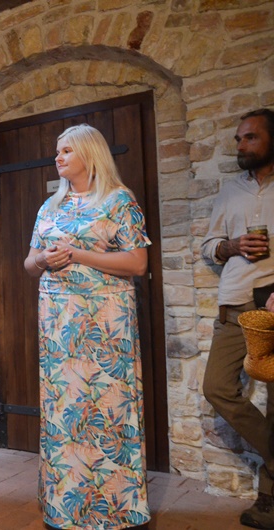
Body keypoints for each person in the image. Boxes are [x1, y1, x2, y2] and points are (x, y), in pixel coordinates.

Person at [23, 124, 151, 529]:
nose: (57, 157)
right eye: (57, 151)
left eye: (66, 151)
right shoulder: (49, 206)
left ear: (89, 154)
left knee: (109, 409)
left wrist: (78, 254)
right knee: (67, 410)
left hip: (106, 323)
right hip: (58, 324)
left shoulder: (119, 200)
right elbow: (29, 265)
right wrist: (44, 260)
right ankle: (65, 508)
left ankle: (117, 510)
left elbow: (137, 263)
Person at [202, 108, 274, 530]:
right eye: (238, 138)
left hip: (271, 309)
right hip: (233, 307)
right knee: (216, 387)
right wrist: (231, 246)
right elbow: (208, 245)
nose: (241, 145)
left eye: (250, 137)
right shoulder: (230, 191)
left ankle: (268, 502)